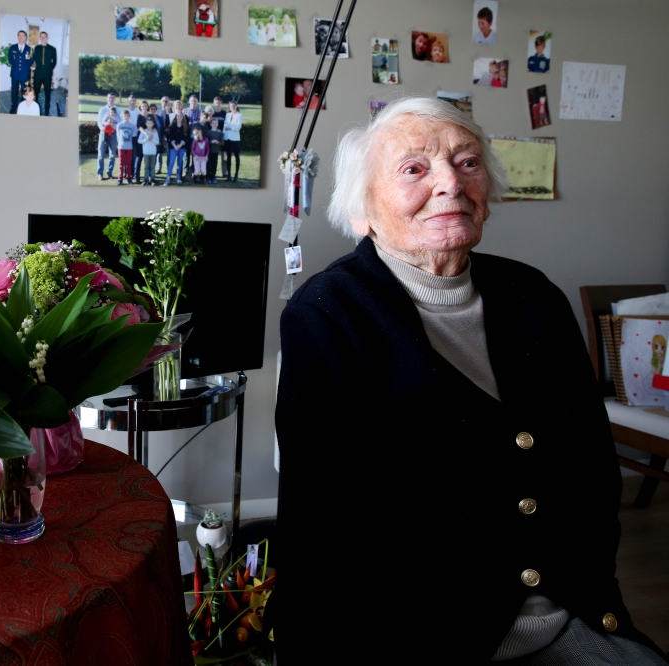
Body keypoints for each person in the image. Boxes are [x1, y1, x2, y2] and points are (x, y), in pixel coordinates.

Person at [275, 96, 669, 664]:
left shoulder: (535, 295)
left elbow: (592, 470)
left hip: (568, 615)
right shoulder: (328, 314)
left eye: (467, 163)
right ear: (364, 206)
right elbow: (324, 523)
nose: (450, 185)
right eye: (414, 168)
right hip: (418, 637)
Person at [7, 31, 33, 114]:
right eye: (19, 36)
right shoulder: (12, 47)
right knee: (14, 91)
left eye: (23, 36)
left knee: (24, 91)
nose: (21, 37)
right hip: (15, 73)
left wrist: (24, 67)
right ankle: (13, 106)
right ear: (17, 37)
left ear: (26, 37)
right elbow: (10, 59)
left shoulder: (29, 49)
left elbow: (31, 60)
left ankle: (23, 106)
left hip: (25, 74)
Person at [32, 31, 57, 116]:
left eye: (44, 37)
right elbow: (35, 60)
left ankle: (47, 110)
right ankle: (34, 108)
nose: (43, 38)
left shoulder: (52, 49)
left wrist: (49, 69)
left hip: (47, 75)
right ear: (40, 38)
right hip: (38, 74)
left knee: (47, 93)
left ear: (47, 38)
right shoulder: (36, 48)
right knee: (35, 92)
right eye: (41, 37)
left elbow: (54, 61)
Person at [96, 93, 119, 181]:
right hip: (103, 133)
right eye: (109, 98)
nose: (111, 100)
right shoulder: (102, 110)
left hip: (113, 134)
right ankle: (100, 173)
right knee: (101, 154)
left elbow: (119, 122)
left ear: (115, 99)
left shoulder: (118, 110)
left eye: (113, 98)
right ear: (107, 98)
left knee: (112, 155)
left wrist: (112, 126)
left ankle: (110, 173)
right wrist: (104, 129)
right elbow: (99, 122)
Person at [165, 106, 188, 186]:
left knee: (180, 163)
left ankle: (178, 177)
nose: (179, 117)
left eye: (181, 116)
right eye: (178, 116)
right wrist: (174, 145)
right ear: (175, 117)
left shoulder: (185, 126)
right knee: (171, 162)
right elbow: (169, 136)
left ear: (183, 117)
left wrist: (181, 144)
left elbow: (186, 137)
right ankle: (168, 178)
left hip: (181, 147)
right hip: (173, 147)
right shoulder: (172, 126)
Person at [223, 100, 242, 183]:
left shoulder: (239, 115)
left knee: (237, 157)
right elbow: (225, 126)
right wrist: (223, 136)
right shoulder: (227, 115)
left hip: (235, 139)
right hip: (227, 138)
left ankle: (236, 175)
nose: (232, 107)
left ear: (236, 106)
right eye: (231, 106)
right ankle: (229, 175)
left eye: (234, 106)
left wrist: (230, 128)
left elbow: (238, 127)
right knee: (228, 157)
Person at [116, 109, 137, 185]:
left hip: (129, 147)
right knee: (121, 163)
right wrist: (119, 145)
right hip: (121, 147)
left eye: (127, 116)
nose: (126, 117)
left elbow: (132, 136)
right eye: (125, 116)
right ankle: (120, 178)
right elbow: (118, 136)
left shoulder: (132, 126)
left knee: (128, 163)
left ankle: (128, 178)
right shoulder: (119, 125)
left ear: (129, 116)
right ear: (122, 116)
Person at [134, 100, 152, 184]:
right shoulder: (139, 116)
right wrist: (145, 133)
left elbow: (154, 125)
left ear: (147, 107)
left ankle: (149, 177)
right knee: (139, 158)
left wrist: (153, 132)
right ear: (140, 107)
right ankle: (137, 176)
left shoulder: (150, 116)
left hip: (149, 140)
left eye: (145, 106)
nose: (144, 107)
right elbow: (139, 127)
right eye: (143, 106)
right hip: (141, 138)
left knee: (149, 159)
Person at [138, 115, 160, 185]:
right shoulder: (144, 132)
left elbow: (157, 142)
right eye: (148, 123)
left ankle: (152, 179)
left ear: (153, 124)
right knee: (146, 167)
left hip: (153, 152)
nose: (149, 125)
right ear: (146, 124)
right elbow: (139, 141)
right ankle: (146, 179)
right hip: (146, 152)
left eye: (151, 123)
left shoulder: (155, 132)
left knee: (152, 167)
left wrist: (152, 138)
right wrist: (147, 139)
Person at [156, 97, 171, 174]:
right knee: (159, 153)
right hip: (159, 135)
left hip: (169, 135)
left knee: (168, 153)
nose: (165, 102)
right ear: (161, 102)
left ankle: (169, 168)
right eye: (163, 101)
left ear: (169, 102)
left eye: (166, 101)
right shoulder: (158, 111)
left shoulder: (171, 111)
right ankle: (159, 168)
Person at [207, 117, 223, 184]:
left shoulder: (219, 133)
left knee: (214, 164)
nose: (214, 124)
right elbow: (206, 141)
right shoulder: (208, 132)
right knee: (208, 165)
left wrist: (217, 142)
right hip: (209, 152)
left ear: (217, 124)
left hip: (215, 151)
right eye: (213, 123)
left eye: (216, 123)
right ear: (210, 124)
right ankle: (208, 177)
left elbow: (222, 142)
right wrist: (211, 141)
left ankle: (213, 177)